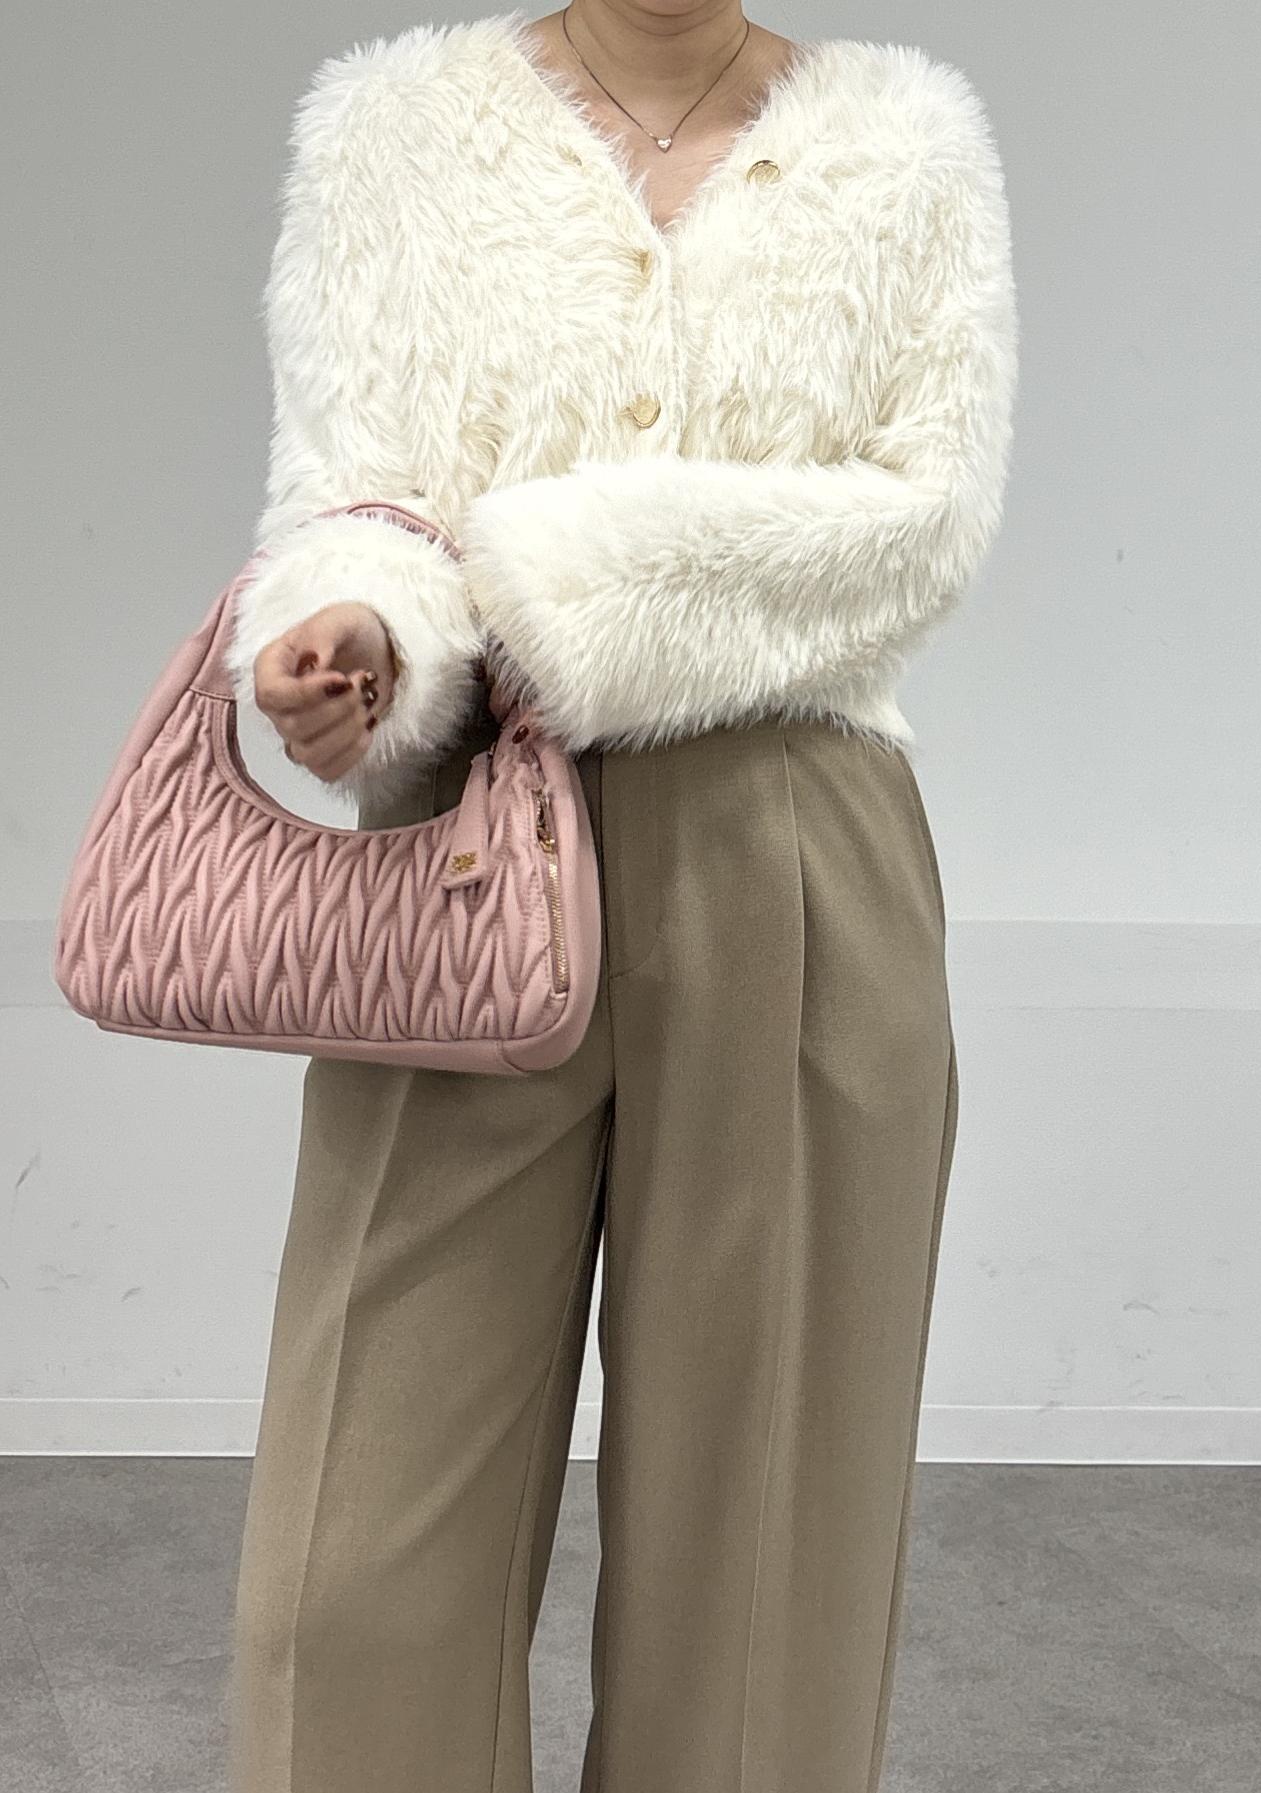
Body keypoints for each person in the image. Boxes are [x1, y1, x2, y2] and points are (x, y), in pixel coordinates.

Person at [223, 6, 1018, 1791]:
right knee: (347, 1573)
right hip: (461, 848)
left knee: (762, 1586)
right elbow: (351, 492)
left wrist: (520, 570)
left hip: (792, 846)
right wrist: (357, 628)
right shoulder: (394, 128)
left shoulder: (906, 140)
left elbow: (921, 522)